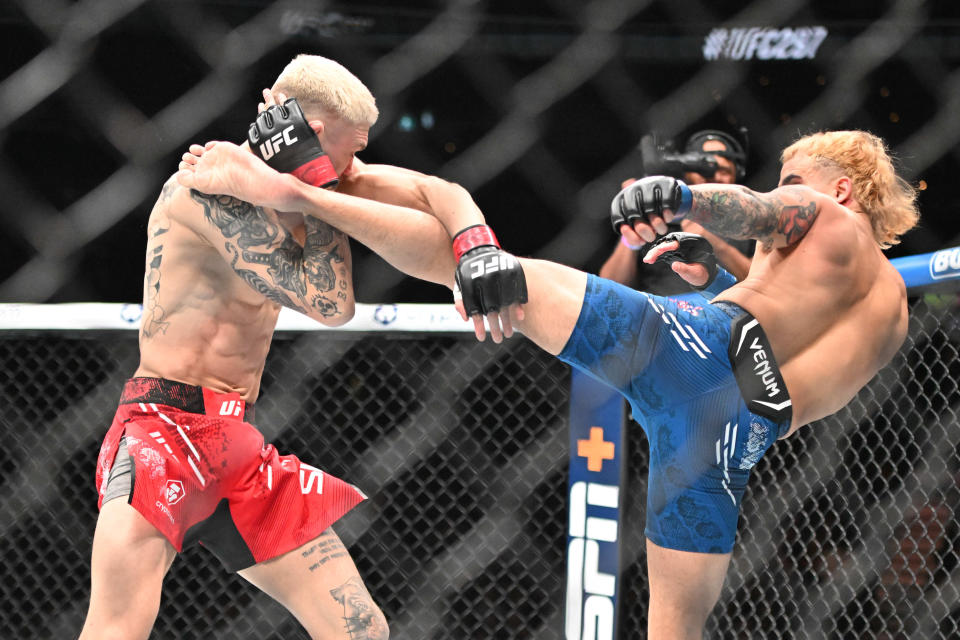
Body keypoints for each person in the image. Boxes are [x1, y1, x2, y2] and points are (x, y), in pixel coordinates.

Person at [176, 128, 919, 639]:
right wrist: (723, 268)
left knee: (488, 268)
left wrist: (684, 198)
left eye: (797, 178)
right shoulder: (891, 314)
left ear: (842, 190)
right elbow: (786, 335)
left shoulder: (820, 211)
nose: (786, 189)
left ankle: (301, 191)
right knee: (678, 632)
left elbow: (762, 211)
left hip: (691, 352)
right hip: (731, 439)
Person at [80, 54, 523, 640]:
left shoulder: (324, 175)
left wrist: (476, 246)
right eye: (342, 152)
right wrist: (308, 186)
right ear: (309, 134)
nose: (349, 168)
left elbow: (434, 190)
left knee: (362, 630)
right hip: (163, 432)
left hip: (238, 444)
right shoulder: (207, 188)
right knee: (117, 628)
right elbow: (330, 303)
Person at [599, 129, 753, 292]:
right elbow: (609, 287)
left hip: (728, 308)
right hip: (662, 311)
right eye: (703, 167)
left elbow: (765, 284)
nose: (713, 175)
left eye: (724, 171)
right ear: (686, 169)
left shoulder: (748, 219)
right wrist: (630, 241)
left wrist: (713, 242)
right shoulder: (657, 212)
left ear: (736, 178)